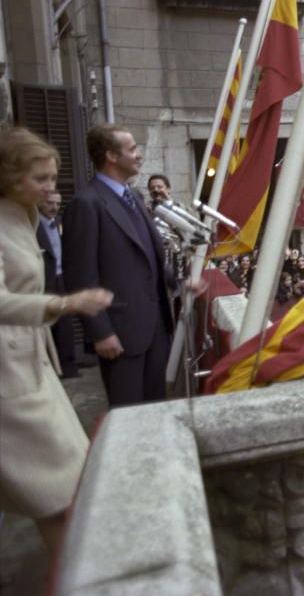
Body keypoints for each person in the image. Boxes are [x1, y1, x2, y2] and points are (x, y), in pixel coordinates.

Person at [0, 127, 113, 557]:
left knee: (66, 487)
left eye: (53, 177)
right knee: (57, 496)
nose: (52, 187)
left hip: (31, 368)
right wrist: (64, 304)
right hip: (11, 381)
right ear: (11, 176)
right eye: (41, 178)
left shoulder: (24, 214)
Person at [63, 123, 176, 407]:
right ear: (112, 156)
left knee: (156, 408)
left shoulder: (135, 197)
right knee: (127, 416)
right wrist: (101, 332)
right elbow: (81, 275)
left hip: (155, 329)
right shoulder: (86, 204)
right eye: (132, 149)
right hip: (120, 334)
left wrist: (181, 284)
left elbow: (149, 257)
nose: (138, 155)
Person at [36, 190, 78, 378]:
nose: (54, 207)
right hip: (44, 280)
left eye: (57, 204)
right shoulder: (32, 224)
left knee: (65, 325)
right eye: (49, 203)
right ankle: (50, 369)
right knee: (46, 325)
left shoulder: (62, 222)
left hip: (63, 278)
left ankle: (69, 366)